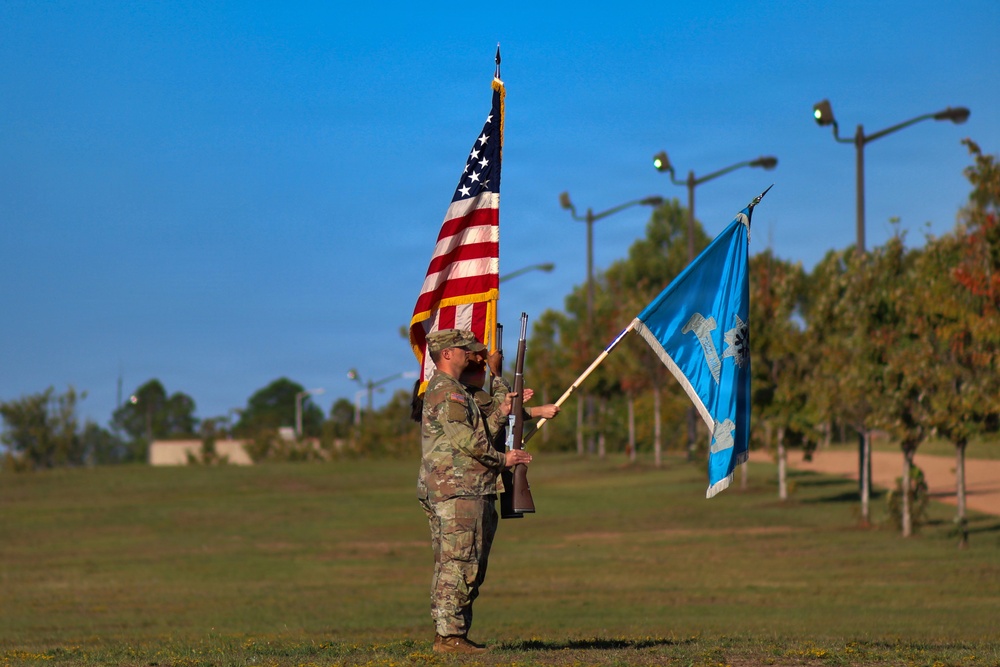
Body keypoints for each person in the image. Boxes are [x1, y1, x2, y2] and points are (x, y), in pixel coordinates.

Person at [416, 328, 555, 654]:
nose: (472, 353)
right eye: (464, 349)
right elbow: (466, 441)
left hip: (470, 487)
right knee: (459, 564)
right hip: (458, 489)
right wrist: (504, 459)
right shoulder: (447, 392)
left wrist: (501, 412)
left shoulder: (456, 391)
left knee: (466, 563)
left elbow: (478, 430)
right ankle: (450, 638)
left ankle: (451, 635)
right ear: (447, 354)